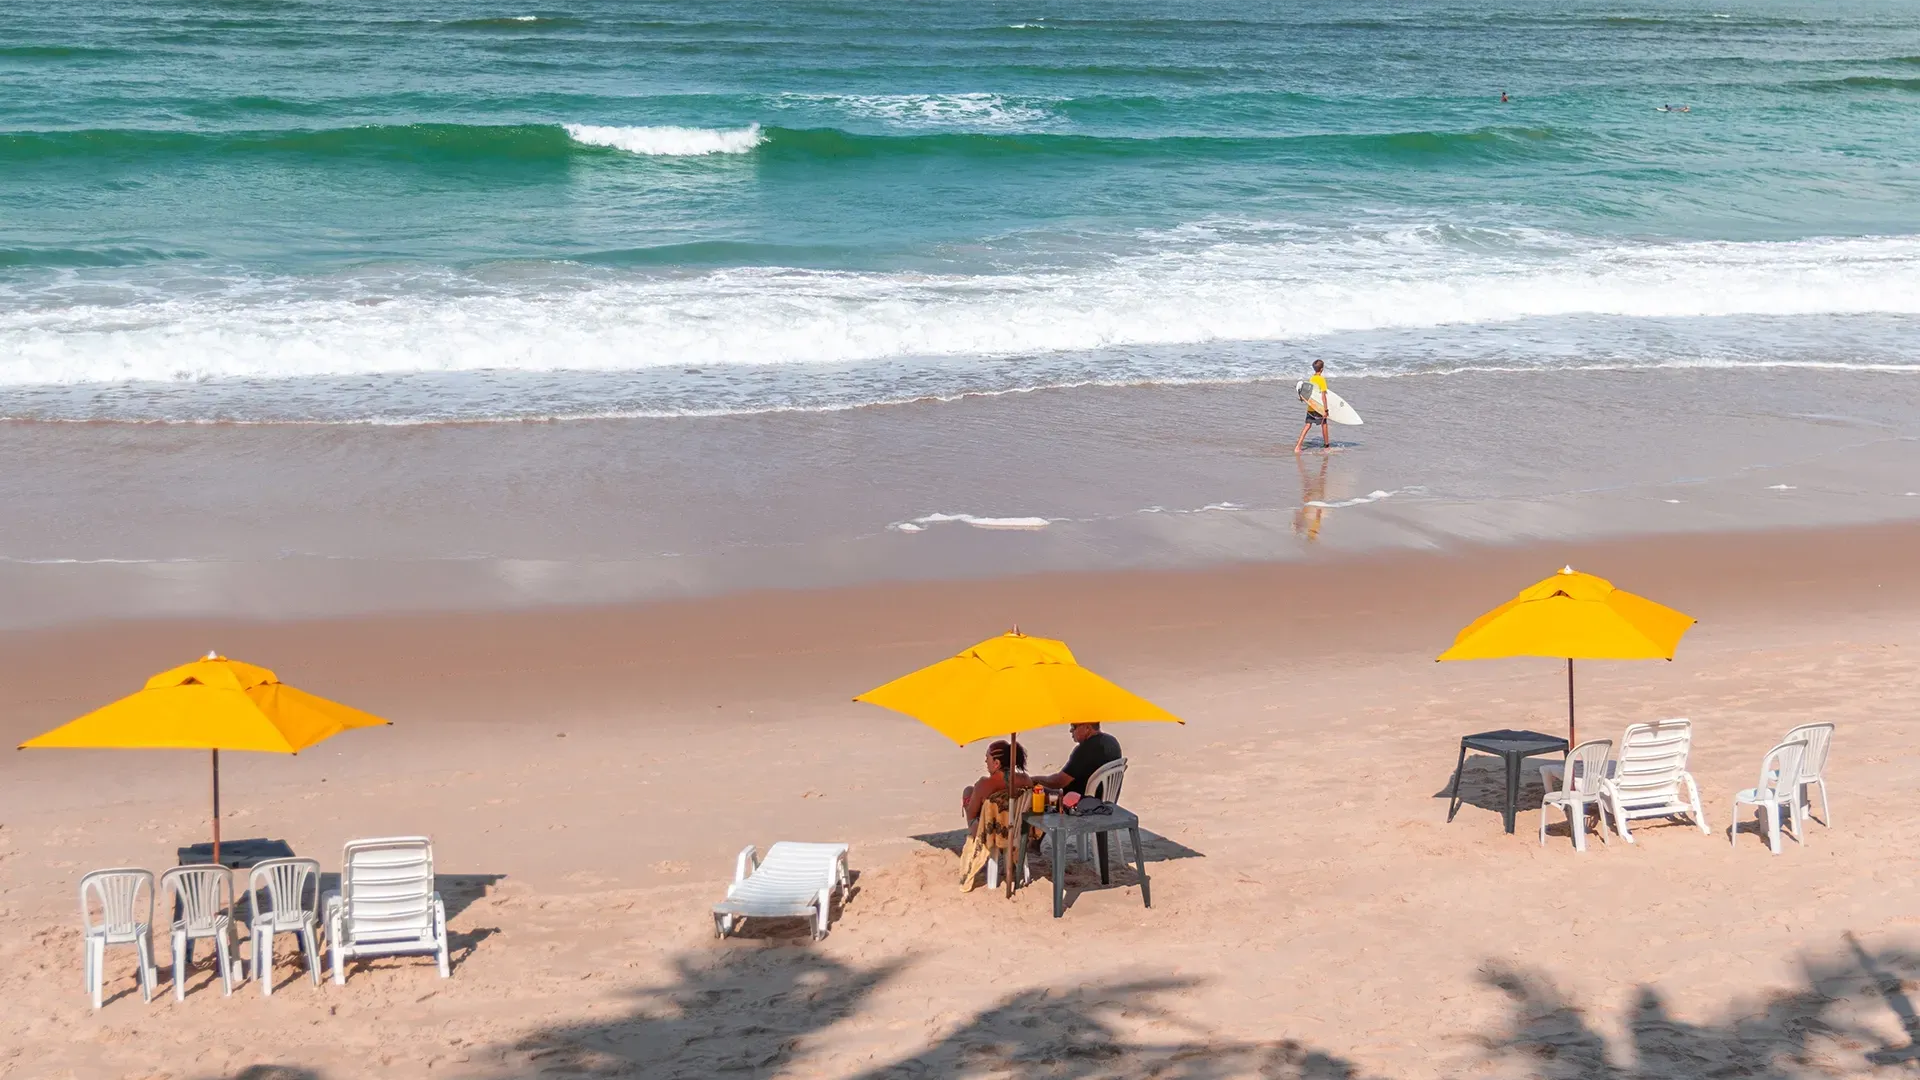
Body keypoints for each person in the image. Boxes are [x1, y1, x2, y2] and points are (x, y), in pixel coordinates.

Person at [1029, 722, 1122, 798]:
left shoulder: (1086, 749)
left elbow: (1058, 782)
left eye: (1074, 726)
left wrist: (1033, 780)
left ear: (1087, 727)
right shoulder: (1112, 741)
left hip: (1080, 802)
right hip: (1104, 799)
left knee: (1034, 791)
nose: (1070, 730)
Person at [961, 739, 1031, 827]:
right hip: (1019, 832)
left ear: (996, 763)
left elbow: (971, 816)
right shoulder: (1025, 779)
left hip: (991, 836)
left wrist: (967, 803)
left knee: (968, 791)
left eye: (987, 758)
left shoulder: (984, 784)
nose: (986, 761)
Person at [1293, 358, 1332, 454]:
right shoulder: (1321, 380)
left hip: (1311, 406)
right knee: (1324, 424)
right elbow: (1323, 396)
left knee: (1307, 425)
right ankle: (1326, 446)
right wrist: (1326, 410)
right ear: (1322, 369)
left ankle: (1298, 446)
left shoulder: (1312, 378)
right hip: (1318, 407)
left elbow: (1309, 393)